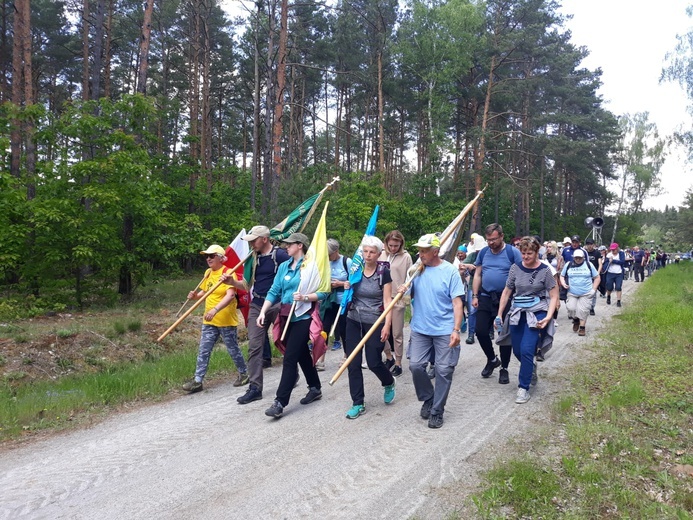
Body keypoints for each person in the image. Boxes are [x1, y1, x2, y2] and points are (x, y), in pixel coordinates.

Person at [258, 233, 329, 419]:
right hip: (285, 315)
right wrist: (263, 311)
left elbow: (323, 292)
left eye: (289, 245)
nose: (285, 247)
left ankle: (280, 402)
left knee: (289, 358)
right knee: (301, 354)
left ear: (299, 245)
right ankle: (315, 387)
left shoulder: (311, 267)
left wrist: (305, 297)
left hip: (304, 316)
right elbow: (274, 291)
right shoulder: (283, 267)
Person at [400, 233, 464, 429]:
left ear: (436, 251)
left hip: (444, 329)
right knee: (416, 366)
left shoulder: (450, 271)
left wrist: (456, 329)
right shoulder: (415, 271)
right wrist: (403, 291)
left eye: (424, 251)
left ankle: (437, 410)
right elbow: (406, 299)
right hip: (420, 328)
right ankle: (428, 397)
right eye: (419, 250)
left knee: (444, 370)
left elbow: (457, 302)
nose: (420, 254)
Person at [226, 225, 290, 405]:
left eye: (254, 240)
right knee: (255, 346)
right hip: (257, 304)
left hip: (279, 304)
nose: (251, 244)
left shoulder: (281, 256)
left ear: (264, 239)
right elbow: (246, 285)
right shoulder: (252, 258)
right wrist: (232, 281)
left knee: (286, 343)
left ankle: (293, 375)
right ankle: (255, 388)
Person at [497, 237, 558, 404]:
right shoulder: (515, 268)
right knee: (516, 349)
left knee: (526, 349)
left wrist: (548, 316)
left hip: (537, 313)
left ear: (537, 252)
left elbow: (553, 296)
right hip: (517, 313)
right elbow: (507, 292)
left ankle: (523, 388)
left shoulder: (546, 271)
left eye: (529, 253)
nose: (525, 256)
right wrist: (500, 313)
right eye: (523, 253)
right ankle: (530, 367)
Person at [341, 236, 396, 419]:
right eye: (365, 251)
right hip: (353, 319)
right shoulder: (355, 268)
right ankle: (358, 403)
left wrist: (387, 325)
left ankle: (388, 381)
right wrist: (347, 285)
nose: (368, 255)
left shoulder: (383, 272)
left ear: (379, 254)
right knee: (353, 363)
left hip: (375, 321)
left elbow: (388, 301)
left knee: (373, 362)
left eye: (372, 252)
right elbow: (348, 290)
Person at [182, 245, 249, 393]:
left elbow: (230, 295)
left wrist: (216, 309)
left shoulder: (228, 273)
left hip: (225, 319)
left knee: (232, 349)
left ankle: (244, 373)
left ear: (220, 257)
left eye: (212, 255)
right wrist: (195, 297)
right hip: (209, 319)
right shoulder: (208, 273)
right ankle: (198, 381)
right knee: (204, 350)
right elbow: (205, 292)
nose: (208, 258)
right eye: (207, 256)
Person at [471, 223, 522, 385]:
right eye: (488, 240)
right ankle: (492, 359)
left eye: (494, 239)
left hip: (506, 298)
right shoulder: (484, 252)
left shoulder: (512, 252)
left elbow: (520, 274)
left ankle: (504, 368)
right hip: (485, 296)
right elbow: (478, 274)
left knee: (504, 335)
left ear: (501, 236)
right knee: (480, 330)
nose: (491, 243)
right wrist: (474, 295)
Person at [379, 230, 412, 377]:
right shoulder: (380, 254)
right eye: (391, 245)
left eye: (396, 246)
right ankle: (389, 357)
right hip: (381, 297)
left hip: (397, 297)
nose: (393, 248)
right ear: (386, 243)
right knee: (381, 330)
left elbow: (410, 278)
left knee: (396, 332)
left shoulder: (406, 257)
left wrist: (405, 288)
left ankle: (398, 362)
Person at [315, 239, 351, 371]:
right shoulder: (325, 263)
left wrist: (340, 284)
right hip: (329, 300)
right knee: (324, 328)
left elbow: (354, 280)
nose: (328, 257)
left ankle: (347, 355)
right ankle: (321, 358)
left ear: (336, 251)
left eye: (329, 255)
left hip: (343, 300)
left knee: (343, 329)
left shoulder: (346, 262)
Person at [559, 249, 600, 336]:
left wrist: (594, 290)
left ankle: (582, 328)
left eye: (580, 258)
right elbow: (562, 276)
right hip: (572, 292)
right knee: (571, 308)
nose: (578, 259)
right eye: (576, 258)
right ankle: (576, 320)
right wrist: (563, 283)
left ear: (583, 258)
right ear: (573, 258)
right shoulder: (569, 265)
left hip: (586, 292)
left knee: (583, 310)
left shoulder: (589, 265)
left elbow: (597, 277)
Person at [584, 238, 602, 315]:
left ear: (593, 245)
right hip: (585, 275)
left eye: (591, 244)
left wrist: (597, 273)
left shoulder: (597, 253)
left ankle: (592, 307)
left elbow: (600, 263)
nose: (589, 246)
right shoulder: (584, 253)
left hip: (593, 275)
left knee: (593, 292)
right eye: (588, 244)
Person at [604, 242, 626, 307]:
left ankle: (618, 301)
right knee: (609, 287)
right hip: (610, 273)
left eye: (614, 249)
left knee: (618, 287)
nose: (613, 251)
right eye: (612, 250)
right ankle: (608, 296)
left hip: (619, 273)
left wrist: (613, 261)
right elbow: (606, 263)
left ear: (617, 249)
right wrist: (608, 261)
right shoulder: (608, 255)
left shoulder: (621, 254)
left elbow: (622, 262)